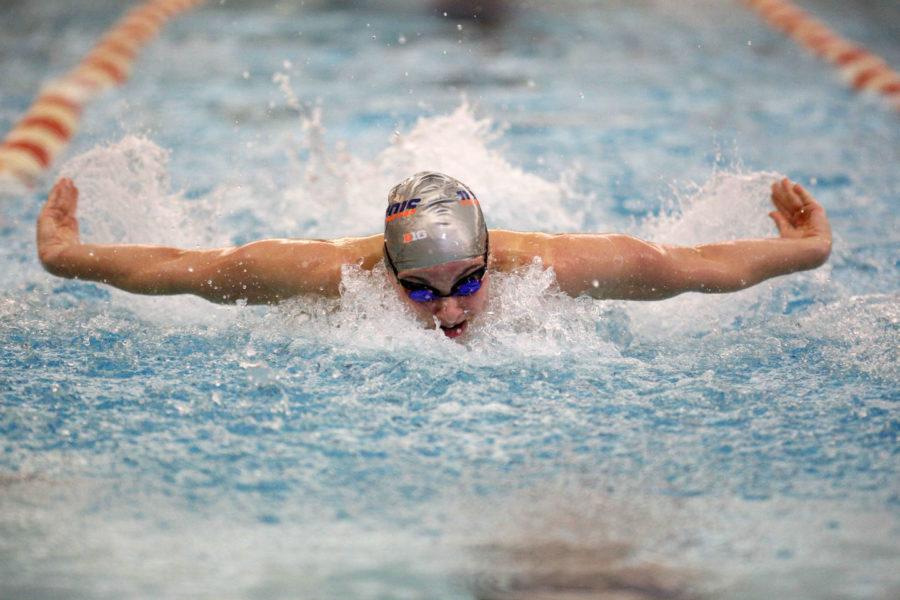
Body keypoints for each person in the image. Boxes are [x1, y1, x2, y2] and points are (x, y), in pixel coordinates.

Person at [37, 171, 832, 339]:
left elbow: (703, 269)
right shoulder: (321, 275)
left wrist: (809, 250)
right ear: (385, 271)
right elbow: (181, 271)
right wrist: (67, 257)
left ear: (493, 259)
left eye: (466, 283)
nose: (450, 311)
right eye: (419, 293)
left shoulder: (552, 267)